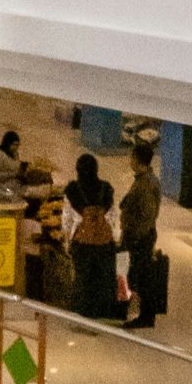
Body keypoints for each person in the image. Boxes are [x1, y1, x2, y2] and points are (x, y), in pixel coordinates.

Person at [63, 154, 120, 320]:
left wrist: (67, 241)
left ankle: (82, 314)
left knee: (83, 278)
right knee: (102, 278)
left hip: (82, 243)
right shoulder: (106, 188)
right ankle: (102, 314)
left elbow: (67, 219)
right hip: (104, 242)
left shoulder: (72, 190)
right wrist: (114, 237)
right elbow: (112, 217)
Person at [121, 141, 162, 330]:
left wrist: (136, 237)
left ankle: (146, 316)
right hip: (141, 235)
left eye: (132, 157)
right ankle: (143, 313)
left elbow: (146, 215)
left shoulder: (145, 184)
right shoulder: (145, 179)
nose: (130, 161)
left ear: (138, 160)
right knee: (141, 275)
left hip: (141, 238)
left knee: (143, 276)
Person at [0, 130, 26, 194]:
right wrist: (13, 175)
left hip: (15, 188)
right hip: (0, 190)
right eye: (14, 145)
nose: (16, 148)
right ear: (7, 144)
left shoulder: (14, 155)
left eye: (17, 145)